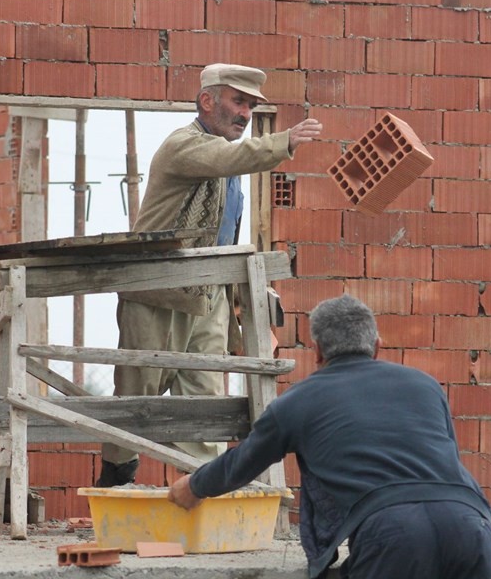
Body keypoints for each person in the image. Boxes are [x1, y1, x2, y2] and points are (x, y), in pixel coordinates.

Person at [168, 295, 491, 579]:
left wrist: (194, 486)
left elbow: (242, 462)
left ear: (316, 351)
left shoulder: (297, 402)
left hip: (394, 537)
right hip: (474, 530)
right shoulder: (426, 386)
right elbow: (447, 461)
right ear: (377, 346)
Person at [96, 63, 323, 486]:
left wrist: (237, 299)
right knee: (137, 395)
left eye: (252, 106)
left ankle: (200, 492)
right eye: (239, 102)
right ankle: (116, 483)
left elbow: (225, 234)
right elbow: (230, 156)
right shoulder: (186, 145)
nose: (245, 114)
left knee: (203, 398)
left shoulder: (228, 164)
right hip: (158, 292)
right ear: (206, 101)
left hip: (209, 295)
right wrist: (284, 141)